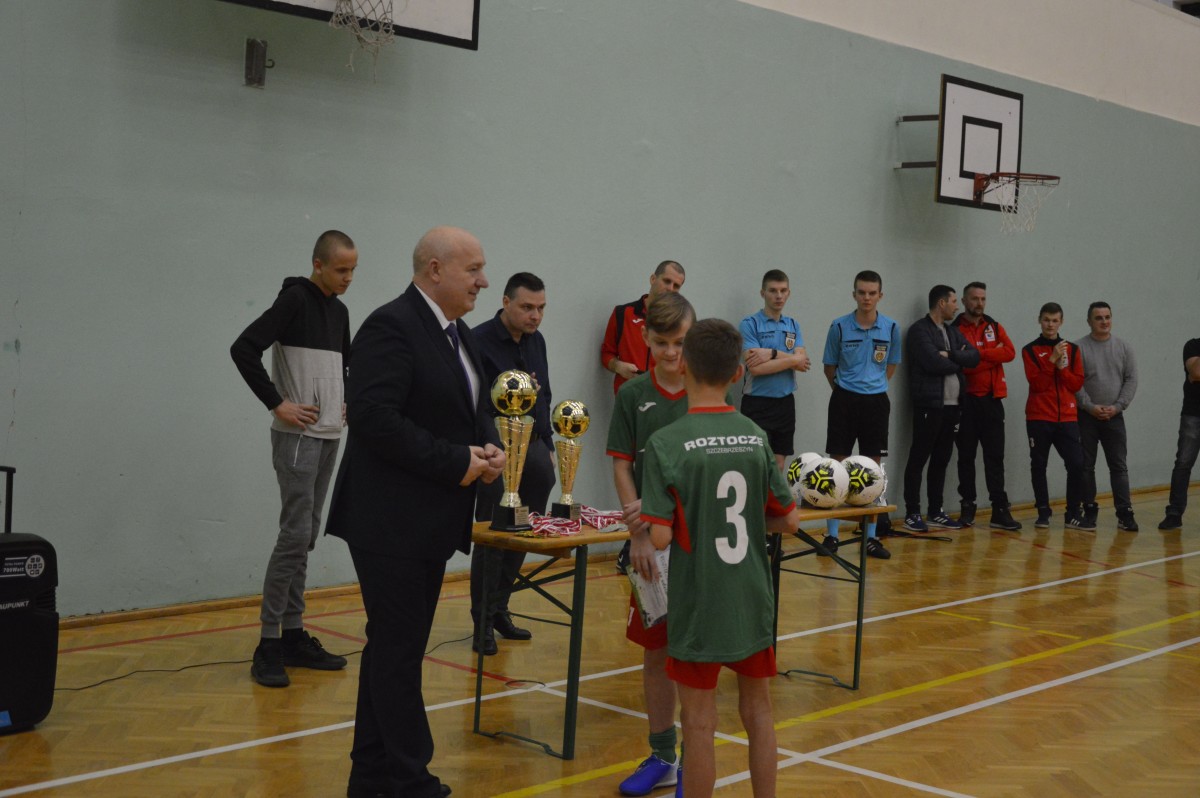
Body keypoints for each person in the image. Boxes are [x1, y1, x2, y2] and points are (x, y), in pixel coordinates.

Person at [324, 226, 505, 798]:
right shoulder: (391, 325)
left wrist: (487, 446)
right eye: (473, 269)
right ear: (434, 270)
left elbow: (470, 408)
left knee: (392, 648)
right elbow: (373, 417)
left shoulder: (458, 333)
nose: (483, 280)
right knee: (399, 651)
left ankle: (370, 775)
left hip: (427, 520)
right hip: (388, 520)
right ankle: (410, 779)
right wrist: (456, 460)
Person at [641, 318, 800, 798]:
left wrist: (650, 519)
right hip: (751, 598)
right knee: (759, 712)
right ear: (737, 373)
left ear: (683, 365)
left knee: (698, 723)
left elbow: (660, 537)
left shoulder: (666, 443)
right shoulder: (755, 435)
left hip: (699, 604)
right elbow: (789, 521)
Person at [229, 229, 357, 688]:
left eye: (353, 270)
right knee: (294, 535)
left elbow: (344, 366)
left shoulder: (340, 312)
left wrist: (344, 400)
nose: (348, 278)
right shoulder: (294, 300)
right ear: (318, 265)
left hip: (329, 436)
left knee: (306, 536)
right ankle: (268, 642)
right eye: (340, 270)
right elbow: (243, 348)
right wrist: (277, 403)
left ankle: (294, 633)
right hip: (297, 438)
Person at [604, 292, 695, 796]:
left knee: (695, 655)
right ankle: (662, 755)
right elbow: (622, 465)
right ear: (646, 339)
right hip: (651, 548)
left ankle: (695, 763)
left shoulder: (711, 390)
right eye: (661, 343)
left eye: (680, 342)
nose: (671, 352)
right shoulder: (632, 394)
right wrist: (637, 534)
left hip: (701, 547)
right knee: (657, 653)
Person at [469, 273, 556, 655]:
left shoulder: (538, 341)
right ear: (505, 302)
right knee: (493, 535)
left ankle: (501, 609)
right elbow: (475, 404)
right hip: (496, 452)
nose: (535, 316)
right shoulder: (478, 340)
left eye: (541, 308)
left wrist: (548, 444)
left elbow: (544, 394)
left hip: (533, 450)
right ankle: (482, 622)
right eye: (527, 307)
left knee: (523, 531)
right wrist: (490, 446)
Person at [819, 270, 901, 560]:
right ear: (854, 294)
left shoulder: (891, 328)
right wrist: (847, 390)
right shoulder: (839, 327)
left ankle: (870, 538)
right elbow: (829, 367)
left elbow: (891, 365)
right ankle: (831, 536)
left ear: (880, 295)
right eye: (862, 293)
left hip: (876, 403)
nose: (867, 298)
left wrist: (871, 387)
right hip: (844, 401)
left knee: (872, 472)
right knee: (836, 468)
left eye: (872, 293)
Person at [901, 285, 979, 532]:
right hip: (930, 405)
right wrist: (958, 360)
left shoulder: (952, 332)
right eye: (954, 301)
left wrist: (950, 355)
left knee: (942, 460)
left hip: (954, 407)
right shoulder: (919, 331)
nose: (957, 306)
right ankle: (912, 512)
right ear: (942, 303)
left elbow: (974, 357)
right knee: (919, 458)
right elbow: (933, 363)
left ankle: (935, 510)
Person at [952, 281, 1022, 531]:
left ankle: (999, 510)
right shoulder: (955, 330)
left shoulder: (993, 325)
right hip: (966, 403)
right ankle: (967, 506)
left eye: (983, 299)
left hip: (992, 401)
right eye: (974, 298)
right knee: (966, 457)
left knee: (995, 457)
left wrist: (977, 355)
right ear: (964, 301)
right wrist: (992, 355)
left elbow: (1010, 352)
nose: (979, 303)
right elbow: (962, 365)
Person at [1074, 302, 1139, 531]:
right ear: (1089, 321)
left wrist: (1118, 407)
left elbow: (1131, 379)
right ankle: (1089, 511)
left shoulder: (1124, 347)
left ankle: (1125, 513)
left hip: (1115, 417)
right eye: (1099, 318)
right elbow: (1075, 382)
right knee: (1086, 466)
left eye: (1107, 317)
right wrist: (1089, 406)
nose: (1104, 321)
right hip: (1086, 417)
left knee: (1119, 466)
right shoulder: (1078, 348)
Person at [1022, 302, 1086, 529]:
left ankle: (1072, 513)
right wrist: (1051, 361)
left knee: (1077, 463)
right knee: (1039, 465)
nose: (1050, 325)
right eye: (1046, 320)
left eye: (1055, 320)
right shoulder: (1029, 350)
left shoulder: (1073, 350)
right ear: (1039, 320)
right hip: (1039, 417)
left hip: (1067, 418)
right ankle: (1043, 511)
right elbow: (1037, 385)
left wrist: (1062, 368)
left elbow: (1076, 384)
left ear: (1061, 322)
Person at [739, 269, 810, 471]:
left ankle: (775, 495)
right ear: (763, 293)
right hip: (757, 403)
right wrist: (792, 359)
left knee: (779, 465)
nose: (778, 296)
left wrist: (771, 353)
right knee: (758, 464)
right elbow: (756, 368)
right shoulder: (750, 324)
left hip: (785, 403)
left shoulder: (793, 325)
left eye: (783, 290)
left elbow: (802, 363)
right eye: (773, 291)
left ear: (788, 293)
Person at [600, 260, 686, 394]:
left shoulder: (680, 323)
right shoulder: (623, 313)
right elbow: (607, 353)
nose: (670, 289)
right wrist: (618, 366)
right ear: (653, 279)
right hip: (628, 397)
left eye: (676, 286)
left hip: (663, 398)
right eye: (667, 281)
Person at [1158, 338, 1200, 531]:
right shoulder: (1193, 345)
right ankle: (1174, 513)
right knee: (1183, 463)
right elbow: (1196, 372)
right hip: (1193, 414)